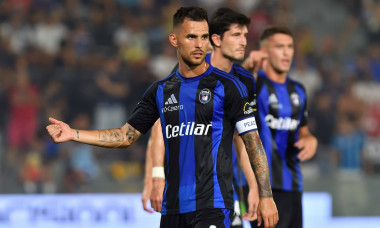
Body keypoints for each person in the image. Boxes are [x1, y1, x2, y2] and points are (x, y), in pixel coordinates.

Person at [46, 6, 278, 228]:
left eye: (204, 37)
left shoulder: (229, 86)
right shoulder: (160, 91)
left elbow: (252, 141)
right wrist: (73, 134)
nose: (199, 44)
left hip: (213, 204)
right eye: (191, 37)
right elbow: (124, 136)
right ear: (174, 40)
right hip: (173, 208)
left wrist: (266, 195)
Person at [142, 7, 266, 227]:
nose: (244, 42)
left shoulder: (244, 80)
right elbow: (161, 124)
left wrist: (254, 187)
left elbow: (243, 137)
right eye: (237, 35)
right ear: (216, 40)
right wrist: (155, 175)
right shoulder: (186, 70)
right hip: (184, 194)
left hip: (222, 189)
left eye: (245, 36)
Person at [244, 26, 318, 228]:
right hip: (264, 188)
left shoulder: (299, 90)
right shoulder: (255, 85)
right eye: (279, 47)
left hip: (293, 184)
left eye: (290, 47)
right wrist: (249, 67)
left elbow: (302, 129)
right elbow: (237, 86)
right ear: (265, 52)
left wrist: (311, 139)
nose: (286, 52)